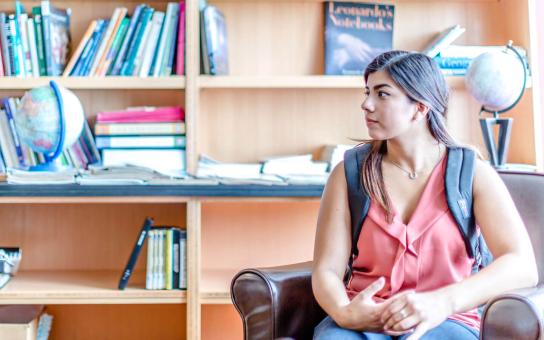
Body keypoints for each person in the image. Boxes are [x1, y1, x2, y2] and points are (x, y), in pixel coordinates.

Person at [311, 50, 538, 340]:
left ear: (419, 107)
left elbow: (521, 265)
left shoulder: (472, 174)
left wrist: (442, 302)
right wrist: (345, 312)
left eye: (382, 94)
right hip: (364, 322)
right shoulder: (347, 175)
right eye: (368, 92)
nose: (366, 104)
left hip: (446, 321)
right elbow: (326, 270)